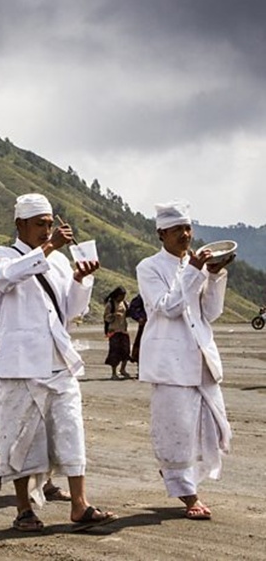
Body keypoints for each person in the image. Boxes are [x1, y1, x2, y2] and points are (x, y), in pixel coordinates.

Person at [0, 193, 114, 532]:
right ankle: (23, 509)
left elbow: (72, 312)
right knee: (20, 436)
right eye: (39, 225)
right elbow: (4, 278)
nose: (46, 230)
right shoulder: (1, 256)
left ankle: (79, 504)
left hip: (58, 359)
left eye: (49, 224)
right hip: (21, 364)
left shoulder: (59, 262)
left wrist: (81, 280)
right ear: (20, 225)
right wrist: (47, 249)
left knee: (72, 429)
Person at [136, 200, 233, 521]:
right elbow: (168, 307)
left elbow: (210, 313)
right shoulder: (148, 267)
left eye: (188, 228)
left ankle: (181, 477)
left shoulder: (197, 267)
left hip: (200, 357)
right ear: (161, 233)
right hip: (169, 362)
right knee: (175, 427)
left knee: (209, 427)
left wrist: (215, 276)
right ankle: (188, 493)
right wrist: (193, 272)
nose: (185, 234)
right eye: (177, 229)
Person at [103, 286, 132, 379]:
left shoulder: (125, 304)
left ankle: (123, 369)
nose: (122, 298)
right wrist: (114, 315)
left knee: (126, 350)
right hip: (114, 331)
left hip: (123, 330)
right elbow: (106, 317)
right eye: (121, 296)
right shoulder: (110, 304)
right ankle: (114, 373)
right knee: (114, 352)